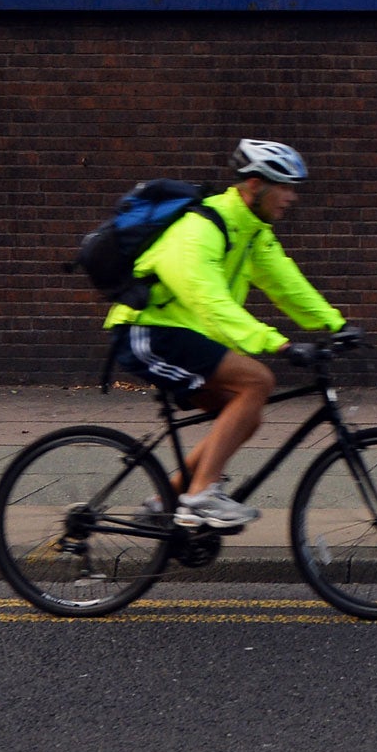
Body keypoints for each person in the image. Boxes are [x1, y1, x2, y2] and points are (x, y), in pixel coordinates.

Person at [106, 140, 348, 526]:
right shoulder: (201, 229)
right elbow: (211, 302)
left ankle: (164, 501)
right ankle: (200, 495)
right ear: (254, 184)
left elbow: (287, 283)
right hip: (147, 331)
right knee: (257, 381)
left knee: (245, 414)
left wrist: (337, 324)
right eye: (284, 186)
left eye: (293, 188)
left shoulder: (252, 231)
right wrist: (278, 344)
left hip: (180, 334)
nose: (291, 197)